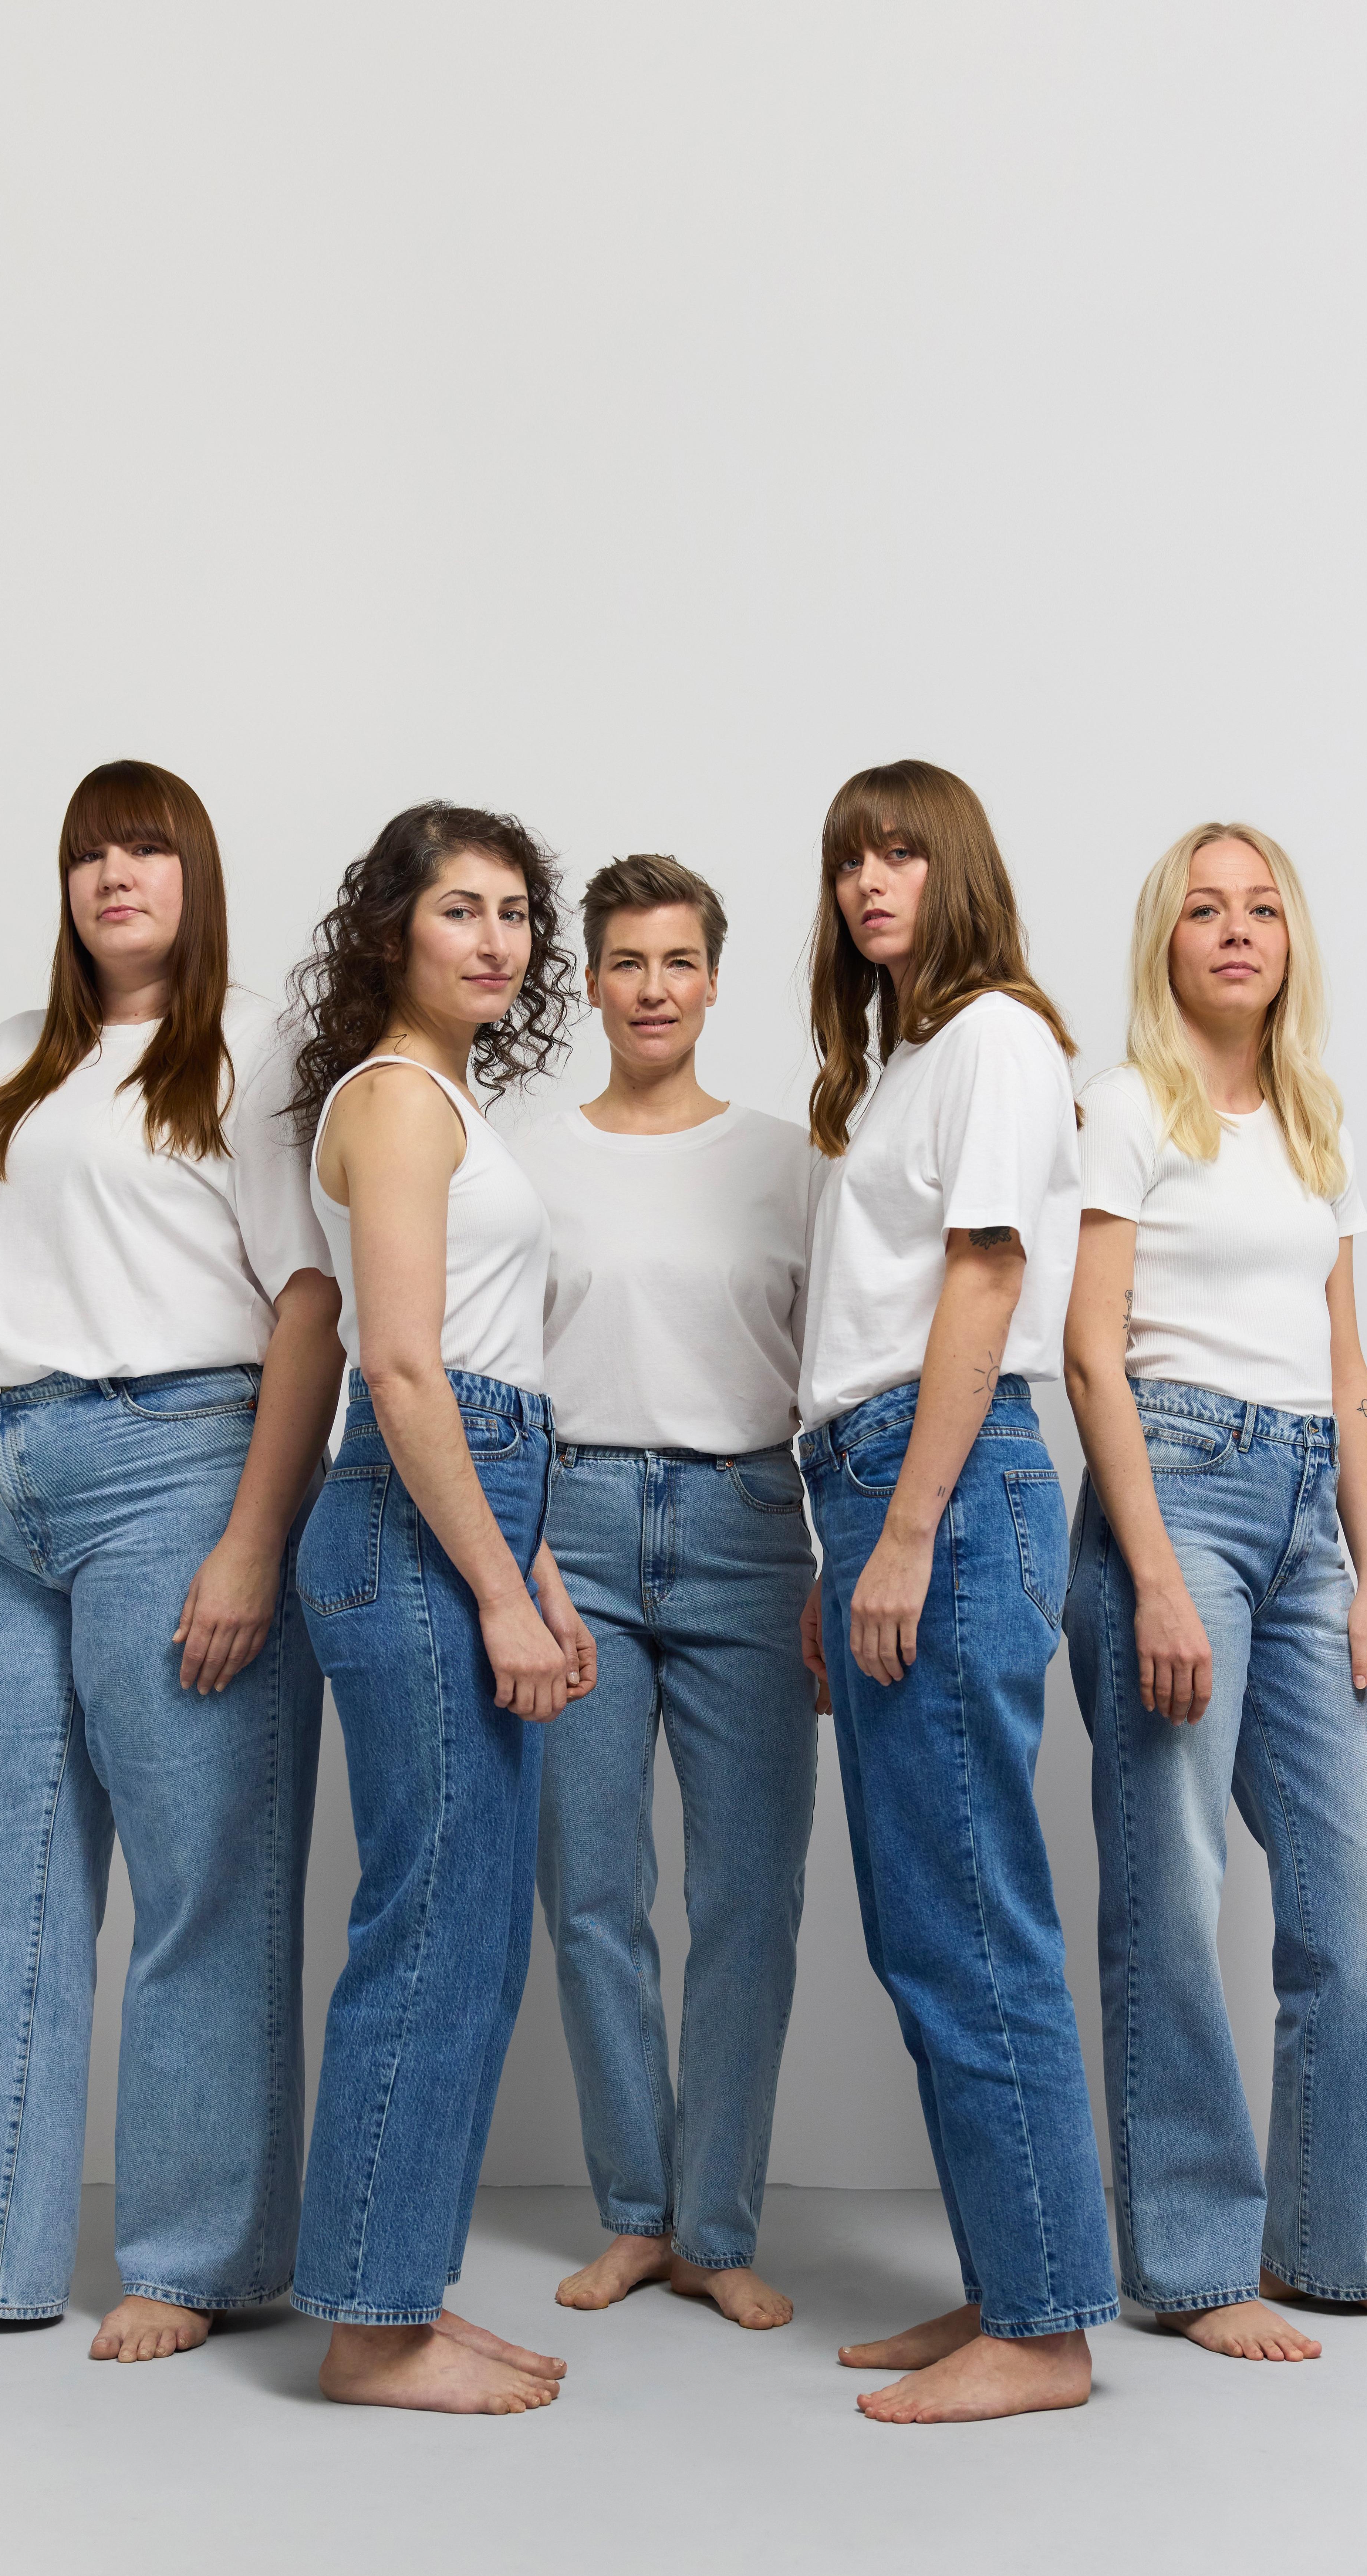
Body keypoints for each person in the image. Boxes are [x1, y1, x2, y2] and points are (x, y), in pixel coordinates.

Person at [0, 761, 343, 2362]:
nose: (116, 876)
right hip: (1, 1485)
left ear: (195, 876)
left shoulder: (248, 1050)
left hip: (178, 1468)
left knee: (203, 1883)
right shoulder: (10, 1054)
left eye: (147, 850)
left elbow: (310, 1302)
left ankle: (195, 2258)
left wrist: (255, 1538)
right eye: (91, 853)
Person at [1061, 823, 1367, 2360]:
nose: (1237, 929)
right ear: (1165, 941)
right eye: (1205, 909)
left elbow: (1350, 1373)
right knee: (1172, 1890)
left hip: (1303, 1521)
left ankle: (1321, 2250)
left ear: (1291, 942)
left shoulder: (1314, 1121)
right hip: (1173, 1492)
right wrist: (1152, 1573)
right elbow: (1091, 1352)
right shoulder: (1121, 1109)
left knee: (1364, 1906)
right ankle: (1193, 2262)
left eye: (1263, 907)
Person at [796, 759, 1117, 2423]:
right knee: (928, 1917)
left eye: (901, 853)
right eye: (851, 858)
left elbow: (987, 1278)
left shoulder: (995, 1034)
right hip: (873, 1483)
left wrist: (908, 1531)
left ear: (958, 868)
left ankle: (1046, 2328)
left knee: (973, 1910)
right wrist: (842, 1548)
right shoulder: (908, 1061)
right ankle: (1012, 2275)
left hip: (947, 1482)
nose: (871, 881)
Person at [289, 801, 595, 2416]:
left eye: (516, 912)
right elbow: (404, 1369)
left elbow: (484, 1363)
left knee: (469, 1930)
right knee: (432, 1925)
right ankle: (368, 2327)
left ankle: (398, 2289)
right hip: (411, 1530)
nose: (496, 938)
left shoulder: (449, 1097)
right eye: (461, 908)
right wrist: (496, 1588)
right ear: (393, 929)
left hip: (474, 1507)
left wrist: (535, 1567)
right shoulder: (399, 1100)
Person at [513, 855, 820, 2332]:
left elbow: (840, 1367)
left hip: (749, 1525)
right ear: (590, 982)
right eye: (626, 961)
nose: (652, 988)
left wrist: (837, 1555)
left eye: (678, 961)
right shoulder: (523, 1157)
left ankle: (718, 2225)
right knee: (591, 1890)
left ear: (713, 980)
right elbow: (494, 1367)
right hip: (570, 1527)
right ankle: (637, 2213)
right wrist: (521, 1551)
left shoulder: (790, 1159)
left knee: (749, 1895)